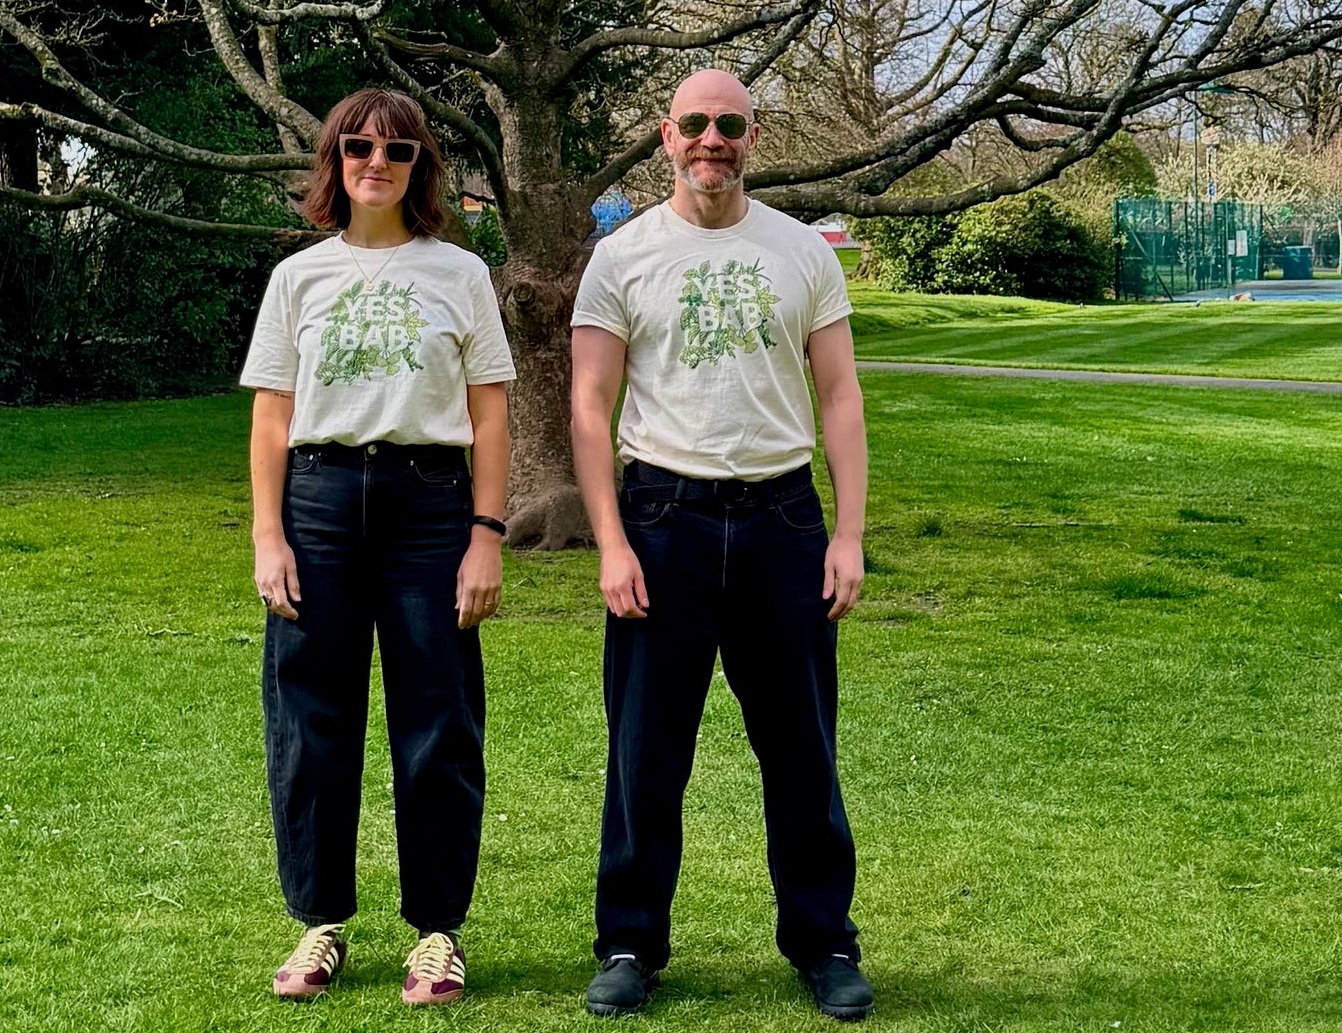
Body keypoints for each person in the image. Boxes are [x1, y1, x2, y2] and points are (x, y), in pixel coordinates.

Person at [568, 69, 873, 1021]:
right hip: (663, 522)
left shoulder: (801, 252)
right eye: (695, 123)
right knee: (645, 751)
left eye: (729, 124)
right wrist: (611, 542)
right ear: (667, 136)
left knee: (802, 748)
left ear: (752, 137)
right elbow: (588, 406)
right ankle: (629, 943)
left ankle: (824, 942)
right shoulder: (622, 256)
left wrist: (848, 533)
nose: (713, 139)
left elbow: (839, 398)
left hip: (784, 521)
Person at [241, 88, 514, 1007]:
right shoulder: (299, 278)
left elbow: (490, 413)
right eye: (359, 146)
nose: (377, 163)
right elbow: (271, 416)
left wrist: (486, 536)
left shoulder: (460, 274)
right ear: (335, 159)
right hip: (317, 505)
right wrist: (268, 535)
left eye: (397, 151)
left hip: (429, 507)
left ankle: (438, 931)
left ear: (419, 166)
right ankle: (319, 920)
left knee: (439, 720)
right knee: (310, 721)